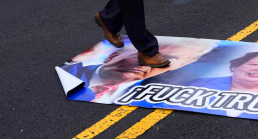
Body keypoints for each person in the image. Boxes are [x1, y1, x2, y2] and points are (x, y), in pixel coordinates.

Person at [61, 37, 215, 103]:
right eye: (140, 53)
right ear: (114, 54)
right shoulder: (71, 72)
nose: (145, 63)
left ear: (177, 67)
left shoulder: (160, 97)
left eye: (166, 59)